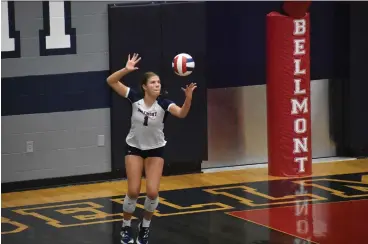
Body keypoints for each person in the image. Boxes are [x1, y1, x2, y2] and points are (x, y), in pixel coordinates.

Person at [106, 53, 197, 244]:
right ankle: (125, 227)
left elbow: (181, 113)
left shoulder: (164, 103)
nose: (157, 85)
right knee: (133, 191)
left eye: (159, 82)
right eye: (154, 83)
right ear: (145, 86)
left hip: (156, 149)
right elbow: (111, 81)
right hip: (135, 148)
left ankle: (144, 227)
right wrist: (126, 69)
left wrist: (188, 98)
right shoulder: (134, 97)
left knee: (153, 192)